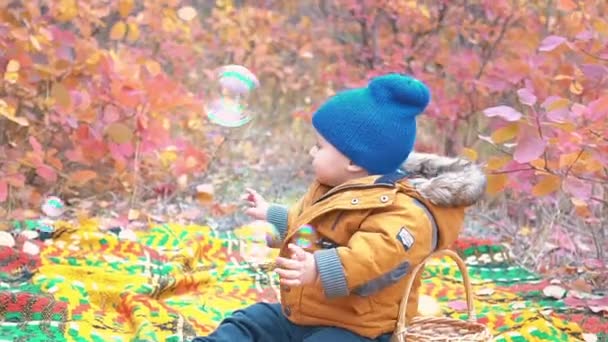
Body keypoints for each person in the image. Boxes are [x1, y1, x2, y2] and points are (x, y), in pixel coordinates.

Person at [192, 73, 486, 342]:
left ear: (354, 162)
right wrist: (275, 216)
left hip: (360, 329)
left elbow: (373, 256)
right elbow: (308, 227)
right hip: (306, 313)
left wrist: (318, 268)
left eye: (319, 147)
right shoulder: (329, 186)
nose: (311, 151)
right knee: (250, 321)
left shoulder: (405, 212)